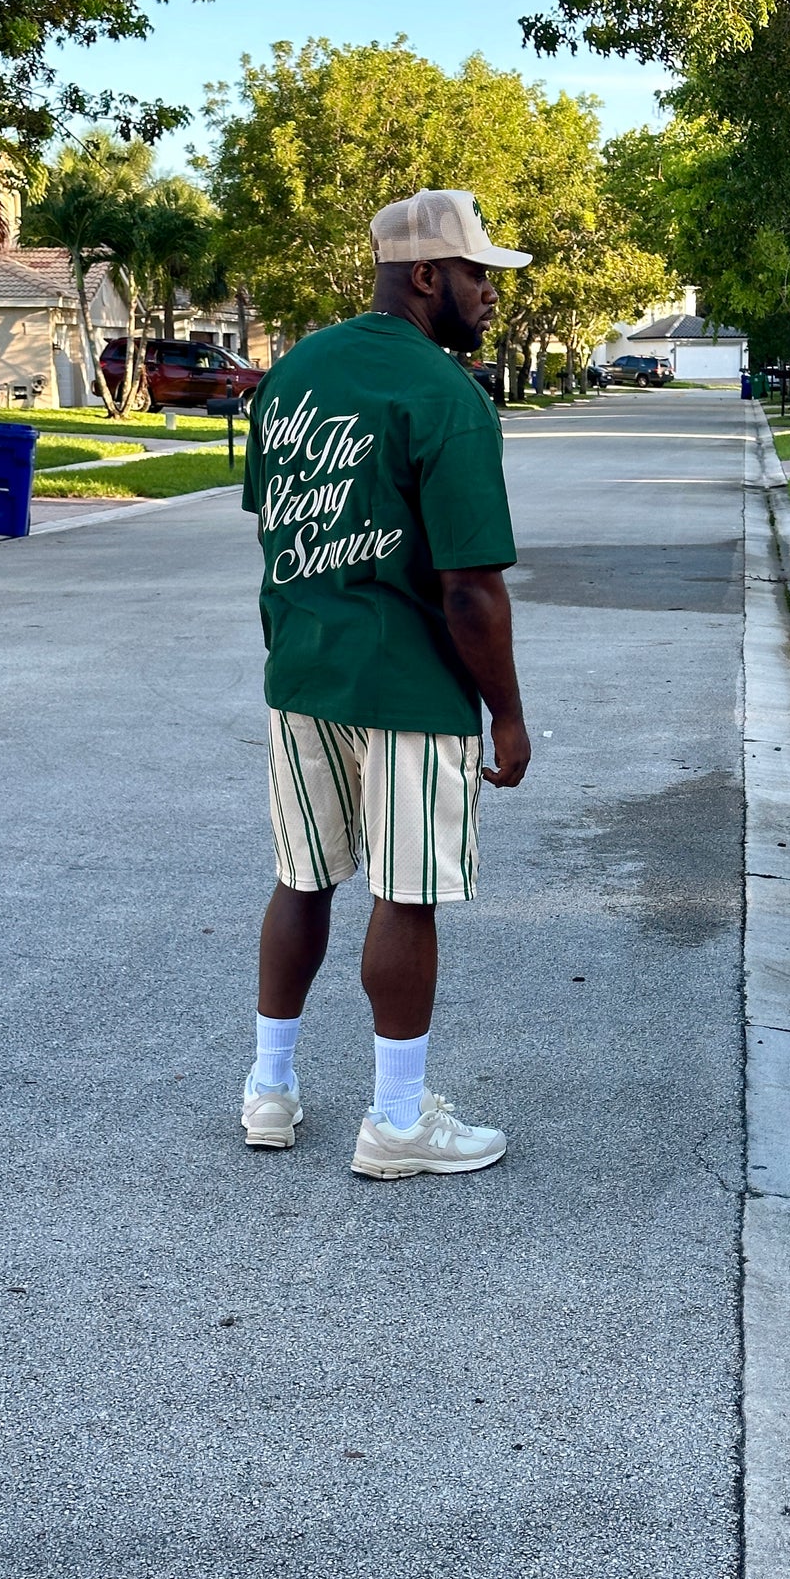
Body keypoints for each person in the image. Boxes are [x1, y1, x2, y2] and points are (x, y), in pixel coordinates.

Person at [238, 189, 533, 1180]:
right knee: (405, 896)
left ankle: (267, 1090)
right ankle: (397, 1120)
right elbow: (469, 591)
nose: (489, 294)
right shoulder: (445, 396)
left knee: (301, 876)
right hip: (409, 690)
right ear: (424, 275)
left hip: (301, 676)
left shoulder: (290, 377)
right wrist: (507, 714)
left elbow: (275, 528)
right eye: (476, 274)